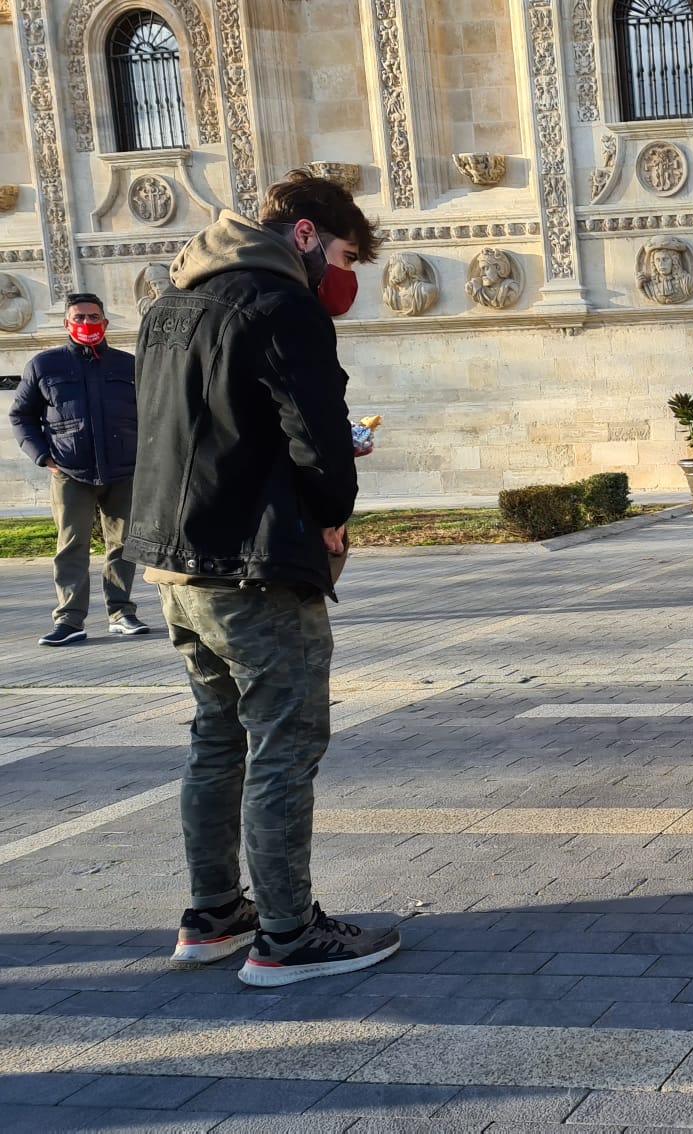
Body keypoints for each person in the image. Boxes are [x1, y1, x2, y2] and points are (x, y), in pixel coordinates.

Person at [129, 170, 398, 987]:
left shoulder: (168, 306)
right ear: (308, 237)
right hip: (253, 561)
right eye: (343, 257)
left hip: (176, 560)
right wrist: (332, 509)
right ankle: (286, 935)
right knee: (284, 743)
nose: (339, 278)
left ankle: (213, 916)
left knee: (217, 737)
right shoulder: (285, 307)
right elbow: (314, 437)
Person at [9, 293, 147, 645]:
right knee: (72, 546)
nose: (88, 324)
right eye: (80, 318)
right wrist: (42, 456)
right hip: (70, 472)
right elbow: (21, 416)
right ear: (67, 324)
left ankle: (122, 613)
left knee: (123, 545)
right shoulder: (45, 366)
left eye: (94, 317)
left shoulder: (127, 365)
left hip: (123, 471)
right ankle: (70, 620)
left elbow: (149, 413)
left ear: (106, 322)